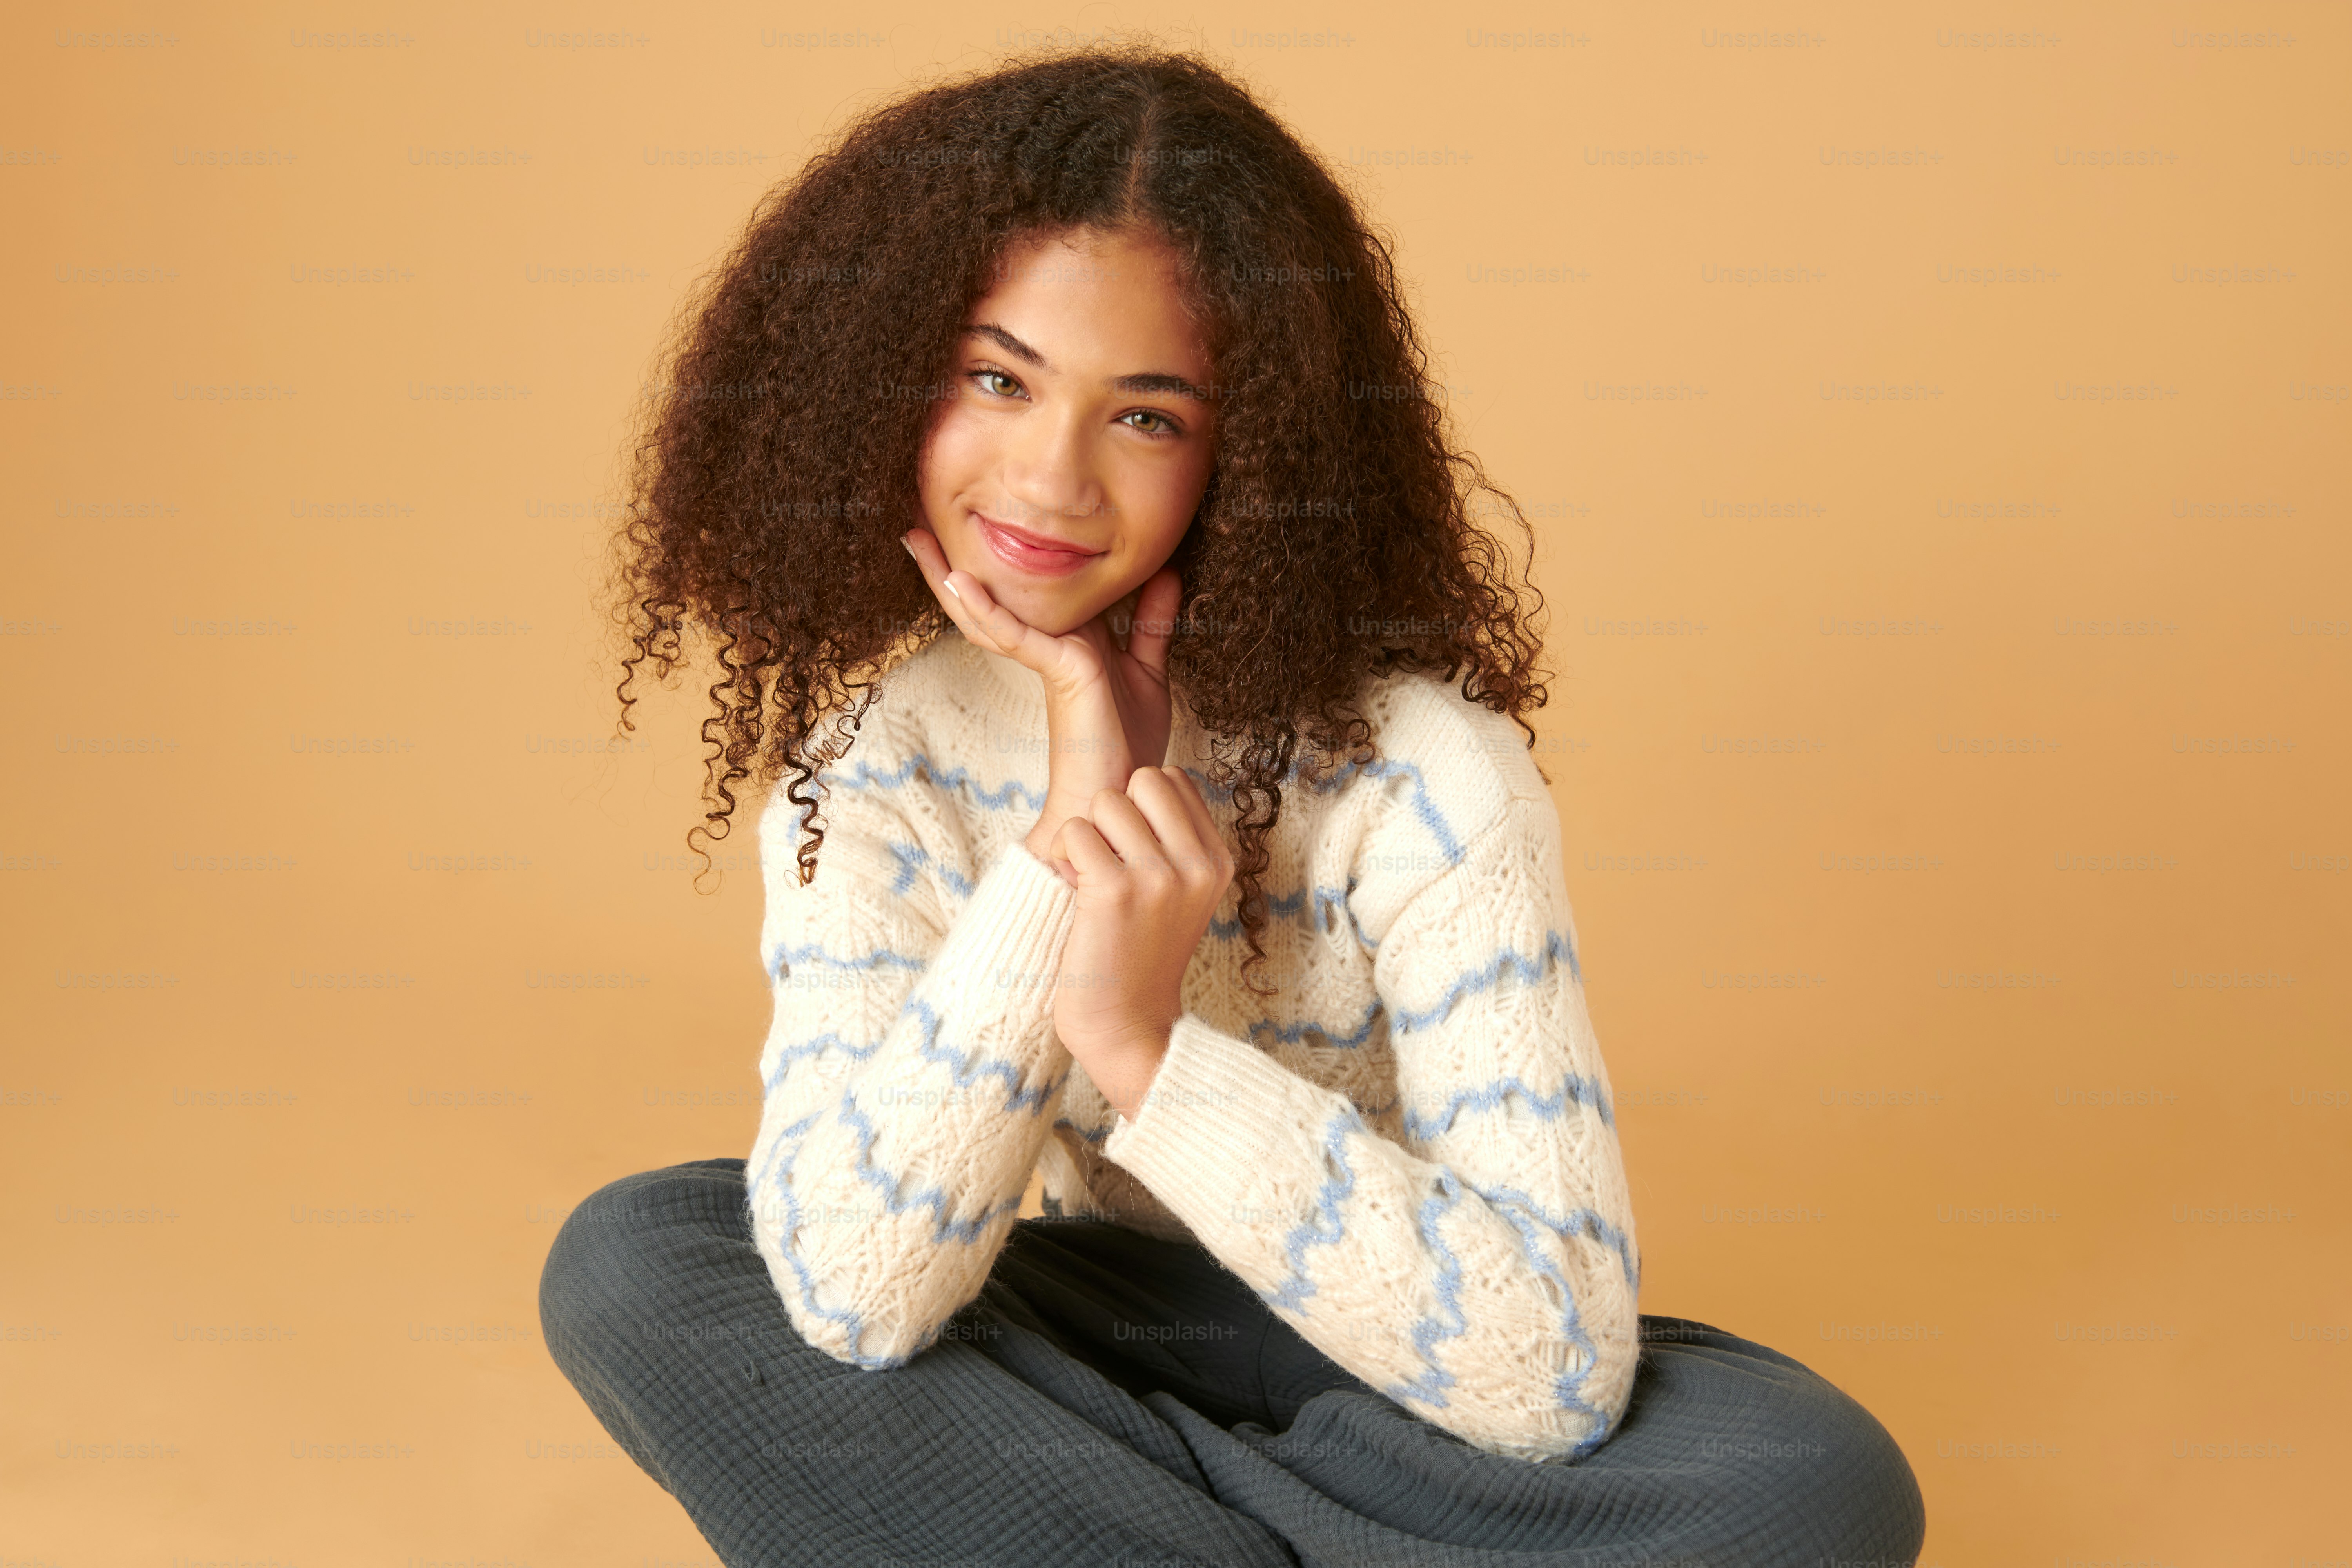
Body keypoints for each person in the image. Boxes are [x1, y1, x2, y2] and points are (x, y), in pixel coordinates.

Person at [542, 42, 1926, 1567]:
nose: (1052, 479)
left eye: (1146, 415)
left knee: (1810, 1473)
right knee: (640, 1262)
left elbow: (1547, 1371)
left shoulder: (1423, 773)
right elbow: (863, 1291)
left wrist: (1145, 1051)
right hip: (1071, 1345)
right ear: (885, 370)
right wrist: (1068, 846)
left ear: (1246, 449)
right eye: (999, 377)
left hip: (1392, 1379)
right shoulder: (865, 772)